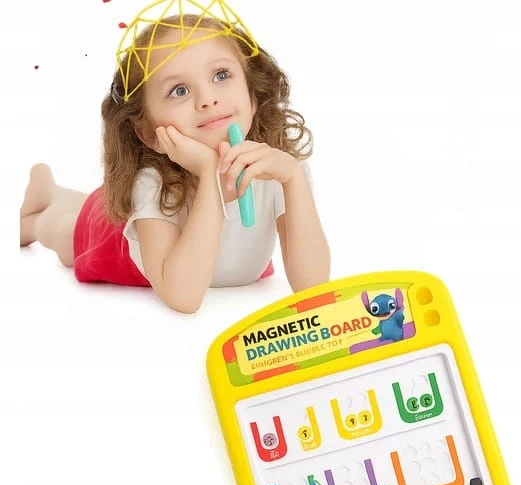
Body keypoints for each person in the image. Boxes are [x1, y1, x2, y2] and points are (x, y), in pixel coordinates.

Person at [19, 10, 330, 313]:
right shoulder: (152, 184)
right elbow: (183, 296)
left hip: (154, 221)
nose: (207, 99)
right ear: (148, 132)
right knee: (68, 232)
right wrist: (208, 174)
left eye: (221, 75)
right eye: (179, 90)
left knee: (95, 203)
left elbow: (313, 286)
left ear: (253, 92)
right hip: (121, 246)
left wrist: (294, 179)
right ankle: (33, 220)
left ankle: (52, 191)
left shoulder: (279, 171)